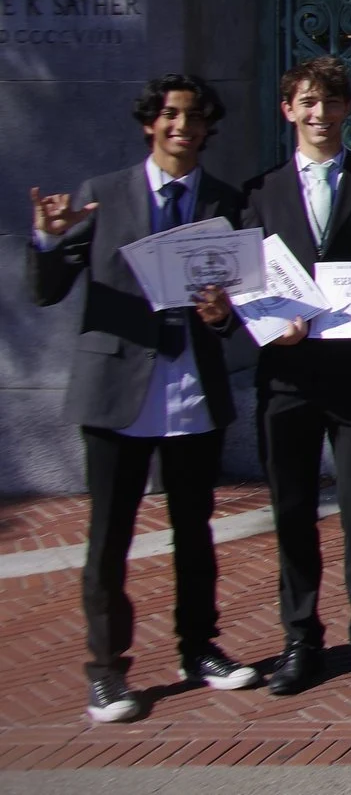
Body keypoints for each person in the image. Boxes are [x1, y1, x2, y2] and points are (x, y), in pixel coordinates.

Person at [28, 75, 263, 722]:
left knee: (196, 531)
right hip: (116, 389)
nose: (181, 125)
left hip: (191, 388)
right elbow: (48, 290)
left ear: (208, 126)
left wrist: (220, 314)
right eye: (169, 114)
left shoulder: (223, 200)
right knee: (109, 537)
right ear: (149, 123)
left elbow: (236, 307)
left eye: (193, 116)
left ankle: (200, 647)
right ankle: (106, 669)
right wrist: (49, 240)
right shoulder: (101, 195)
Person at [242, 56, 351, 695]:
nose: (320, 114)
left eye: (331, 103)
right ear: (289, 110)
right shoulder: (258, 193)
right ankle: (300, 639)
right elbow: (243, 286)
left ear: (347, 111)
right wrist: (260, 323)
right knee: (292, 511)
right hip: (285, 376)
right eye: (308, 103)